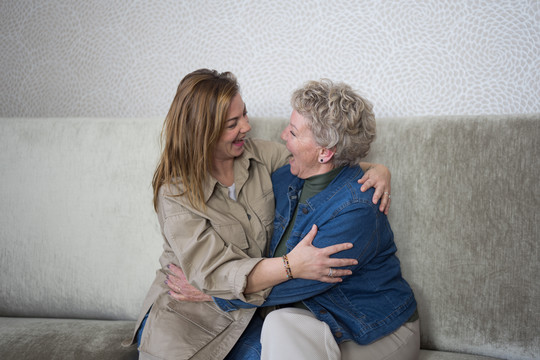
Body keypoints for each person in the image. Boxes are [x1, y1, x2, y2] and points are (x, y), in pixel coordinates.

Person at [130, 69, 393, 359]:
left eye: (245, 114)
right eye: (233, 123)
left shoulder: (258, 156)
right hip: (190, 314)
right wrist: (291, 266)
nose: (246, 126)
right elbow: (214, 275)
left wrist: (378, 171)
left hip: (246, 315)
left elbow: (324, 163)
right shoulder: (175, 193)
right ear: (203, 133)